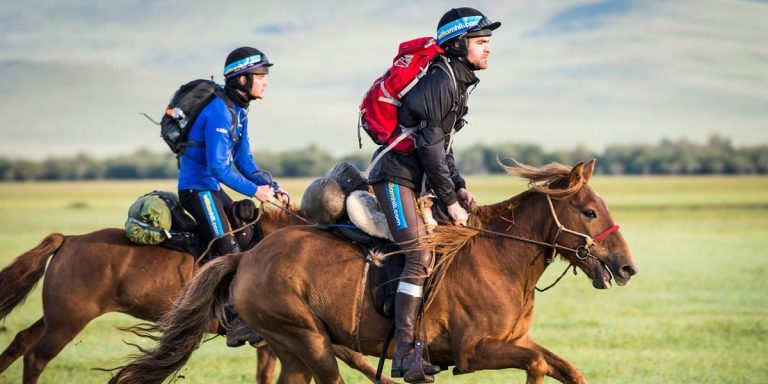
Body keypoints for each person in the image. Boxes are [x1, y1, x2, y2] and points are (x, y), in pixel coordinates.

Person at [366, 7, 500, 382]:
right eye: (481, 42)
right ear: (459, 44)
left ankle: (427, 340)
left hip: (415, 179)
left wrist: (458, 186)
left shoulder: (456, 81)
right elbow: (428, 147)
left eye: (488, 42)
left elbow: (444, 149)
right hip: (394, 177)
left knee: (441, 247)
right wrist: (452, 203)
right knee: (420, 253)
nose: (488, 49)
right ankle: (405, 353)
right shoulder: (442, 80)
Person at [177, 46, 289, 347]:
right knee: (228, 247)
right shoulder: (217, 111)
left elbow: (245, 162)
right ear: (241, 80)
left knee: (251, 235)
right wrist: (255, 191)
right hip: (197, 189)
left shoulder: (239, 111)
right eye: (260, 76)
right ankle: (233, 321)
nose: (265, 81)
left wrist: (271, 186)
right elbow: (217, 166)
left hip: (212, 188)